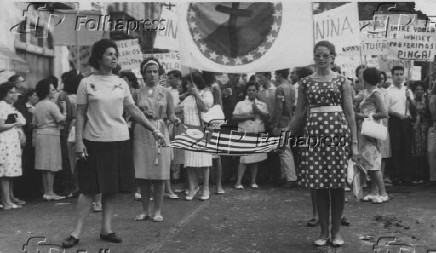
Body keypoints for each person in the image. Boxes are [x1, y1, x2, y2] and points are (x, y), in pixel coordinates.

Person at [61, 39, 165, 249]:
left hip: (119, 141)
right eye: (109, 53)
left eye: (115, 53)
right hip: (94, 141)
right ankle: (76, 232)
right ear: (98, 58)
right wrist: (79, 142)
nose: (114, 56)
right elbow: (80, 115)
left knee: (111, 188)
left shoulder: (121, 83)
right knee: (88, 190)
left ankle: (106, 229)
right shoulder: (86, 83)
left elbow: (133, 110)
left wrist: (153, 129)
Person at [288, 41, 357, 247]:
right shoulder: (305, 83)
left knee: (336, 185)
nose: (321, 59)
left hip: (337, 135)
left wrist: (354, 144)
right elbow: (299, 114)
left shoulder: (343, 81)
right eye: (317, 55)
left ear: (333, 58)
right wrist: (284, 137)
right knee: (318, 186)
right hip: (314, 137)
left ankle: (336, 232)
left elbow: (350, 114)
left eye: (325, 56)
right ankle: (323, 232)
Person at [133, 57, 180, 222]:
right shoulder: (137, 92)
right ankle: (145, 210)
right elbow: (131, 114)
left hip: (160, 132)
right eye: (149, 72)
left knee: (159, 175)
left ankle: (157, 210)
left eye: (155, 71)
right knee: (143, 174)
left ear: (159, 73)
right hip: (142, 133)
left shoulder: (166, 92)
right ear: (143, 74)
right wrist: (142, 114)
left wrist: (175, 120)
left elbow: (171, 115)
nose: (152, 75)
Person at [355, 68, 389, 203]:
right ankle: (374, 192)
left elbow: (384, 113)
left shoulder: (376, 94)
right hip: (365, 130)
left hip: (371, 131)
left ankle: (383, 192)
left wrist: (364, 116)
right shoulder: (367, 93)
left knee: (374, 165)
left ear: (366, 79)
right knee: (369, 163)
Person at [180, 72, 213, 201]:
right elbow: (178, 106)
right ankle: (193, 187)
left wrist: (197, 94)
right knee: (189, 161)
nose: (187, 85)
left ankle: (206, 188)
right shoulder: (187, 96)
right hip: (187, 129)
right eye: (186, 83)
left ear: (196, 82)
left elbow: (204, 108)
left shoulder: (206, 93)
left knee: (204, 161)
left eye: (189, 82)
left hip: (202, 128)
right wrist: (189, 93)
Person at [33, 78, 67, 201]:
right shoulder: (51, 105)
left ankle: (47, 191)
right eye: (52, 89)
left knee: (44, 165)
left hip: (40, 134)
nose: (54, 91)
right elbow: (61, 119)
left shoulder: (37, 105)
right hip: (51, 134)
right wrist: (64, 110)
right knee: (51, 165)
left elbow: (34, 123)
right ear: (47, 92)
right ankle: (50, 192)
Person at [233, 82, 269, 189]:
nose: (251, 92)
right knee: (243, 159)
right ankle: (238, 182)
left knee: (255, 159)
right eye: (249, 90)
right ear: (246, 92)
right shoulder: (240, 104)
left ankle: (253, 181)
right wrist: (248, 116)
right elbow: (234, 117)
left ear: (257, 91)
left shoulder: (262, 104)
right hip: (245, 133)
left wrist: (258, 111)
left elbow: (267, 117)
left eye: (253, 90)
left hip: (257, 133)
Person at [386, 66, 414, 185]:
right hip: (394, 121)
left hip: (406, 121)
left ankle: (406, 176)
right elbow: (386, 109)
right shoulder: (388, 91)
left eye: (401, 74)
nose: (399, 77)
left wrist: (409, 98)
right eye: (396, 74)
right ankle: (396, 176)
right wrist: (396, 114)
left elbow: (413, 108)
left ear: (404, 76)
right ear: (392, 76)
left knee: (406, 148)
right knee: (396, 148)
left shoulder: (407, 90)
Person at [0, 82, 26, 209]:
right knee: (5, 171)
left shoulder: (9, 106)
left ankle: (9, 197)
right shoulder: (2, 105)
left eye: (14, 92)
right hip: (5, 141)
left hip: (11, 141)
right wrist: (14, 125)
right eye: (10, 92)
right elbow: (1, 126)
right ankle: (6, 202)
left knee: (10, 171)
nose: (13, 95)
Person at [272, 68, 297, 188]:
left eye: (276, 75)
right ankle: (285, 176)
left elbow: (279, 107)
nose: (275, 77)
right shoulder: (292, 87)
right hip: (290, 121)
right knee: (284, 149)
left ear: (279, 74)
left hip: (282, 122)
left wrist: (275, 124)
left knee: (284, 150)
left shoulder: (280, 88)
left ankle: (291, 177)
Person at [202, 71, 225, 194]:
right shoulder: (202, 87)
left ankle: (218, 184)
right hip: (203, 121)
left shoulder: (215, 87)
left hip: (213, 121)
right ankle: (207, 183)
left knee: (216, 156)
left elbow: (219, 105)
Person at [167, 70, 184, 197]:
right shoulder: (167, 91)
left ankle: (177, 175)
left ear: (178, 78)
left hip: (181, 122)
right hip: (171, 122)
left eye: (171, 78)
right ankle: (172, 174)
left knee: (179, 149)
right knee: (171, 148)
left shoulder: (183, 91)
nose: (169, 80)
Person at [410, 82, 431, 184]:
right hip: (414, 128)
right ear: (414, 91)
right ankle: (416, 176)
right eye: (417, 89)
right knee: (415, 152)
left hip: (424, 128)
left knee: (424, 151)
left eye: (421, 89)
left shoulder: (427, 101)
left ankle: (424, 176)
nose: (419, 91)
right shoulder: (411, 101)